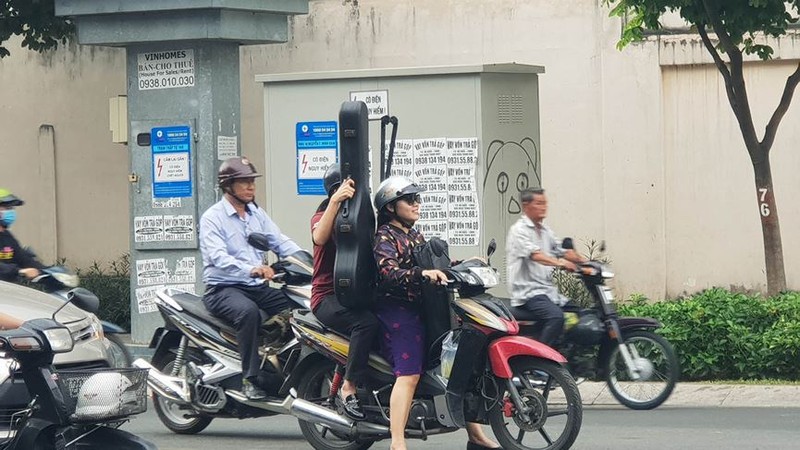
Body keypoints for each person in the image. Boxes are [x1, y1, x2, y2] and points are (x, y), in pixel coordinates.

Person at [372, 176, 500, 450]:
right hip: (398, 310)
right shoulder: (385, 236)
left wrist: (466, 263)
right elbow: (388, 272)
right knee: (409, 374)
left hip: (427, 308)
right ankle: (397, 442)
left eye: (418, 199)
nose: (417, 204)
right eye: (410, 199)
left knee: (461, 366)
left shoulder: (414, 235)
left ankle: (475, 436)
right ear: (391, 207)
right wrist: (422, 274)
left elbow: (434, 264)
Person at [199, 156, 301, 400]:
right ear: (228, 186)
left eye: (252, 182)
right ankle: (250, 379)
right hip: (222, 288)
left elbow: (279, 240)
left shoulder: (257, 214)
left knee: (298, 308)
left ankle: (279, 365)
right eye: (244, 182)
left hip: (256, 286)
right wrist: (251, 269)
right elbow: (218, 257)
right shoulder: (212, 218)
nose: (251, 187)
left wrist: (306, 259)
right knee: (248, 313)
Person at [309, 163, 380, 420]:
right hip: (326, 297)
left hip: (354, 294)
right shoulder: (322, 215)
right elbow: (319, 236)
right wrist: (336, 201)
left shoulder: (359, 216)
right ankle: (348, 387)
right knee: (365, 324)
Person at [505, 187, 587, 347]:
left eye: (545, 203)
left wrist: (584, 262)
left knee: (581, 312)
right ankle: (541, 363)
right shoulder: (518, 231)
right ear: (526, 205)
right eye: (539, 203)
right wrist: (561, 263)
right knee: (556, 316)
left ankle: (566, 351)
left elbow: (561, 250)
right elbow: (536, 255)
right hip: (529, 293)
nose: (544, 207)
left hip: (547, 292)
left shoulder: (545, 231)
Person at [0, 189, 44, 282]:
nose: (11, 212)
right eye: (7, 208)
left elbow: (22, 258)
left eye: (12, 208)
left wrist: (47, 270)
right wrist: (19, 271)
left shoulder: (6, 236)